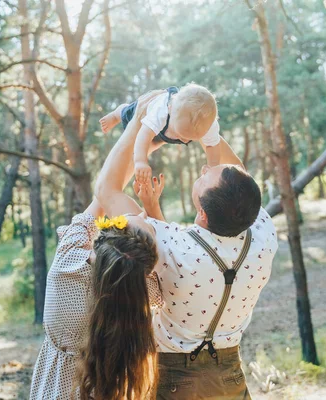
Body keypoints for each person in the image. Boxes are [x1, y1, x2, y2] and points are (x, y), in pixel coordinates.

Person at [95, 92, 278, 399]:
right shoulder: (262, 233)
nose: (206, 169)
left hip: (176, 378)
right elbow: (240, 176)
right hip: (230, 373)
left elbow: (106, 189)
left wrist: (137, 123)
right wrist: (207, 122)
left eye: (206, 177)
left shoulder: (173, 245)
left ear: (203, 213)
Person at [29, 199, 162, 400]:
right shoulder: (143, 291)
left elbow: (102, 194)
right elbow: (174, 269)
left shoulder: (67, 265)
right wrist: (153, 211)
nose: (140, 214)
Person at [99, 83, 222, 183]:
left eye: (190, 139)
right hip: (143, 114)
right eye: (180, 135)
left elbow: (213, 145)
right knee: (126, 115)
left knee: (156, 140)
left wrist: (212, 168)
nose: (184, 141)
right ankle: (116, 114)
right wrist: (140, 161)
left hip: (162, 131)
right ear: (170, 109)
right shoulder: (160, 111)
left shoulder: (209, 124)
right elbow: (144, 135)